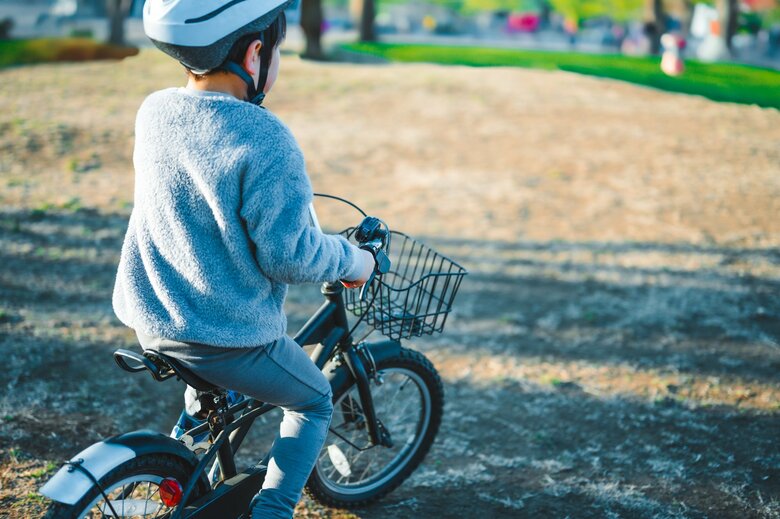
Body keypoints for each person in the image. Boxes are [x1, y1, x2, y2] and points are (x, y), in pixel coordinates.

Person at [111, 0, 376, 517]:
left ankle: (177, 478)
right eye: (280, 49)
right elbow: (291, 256)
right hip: (223, 336)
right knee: (313, 399)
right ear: (255, 54)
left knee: (214, 397)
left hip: (155, 316)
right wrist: (352, 261)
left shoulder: (155, 111)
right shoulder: (265, 138)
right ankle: (273, 510)